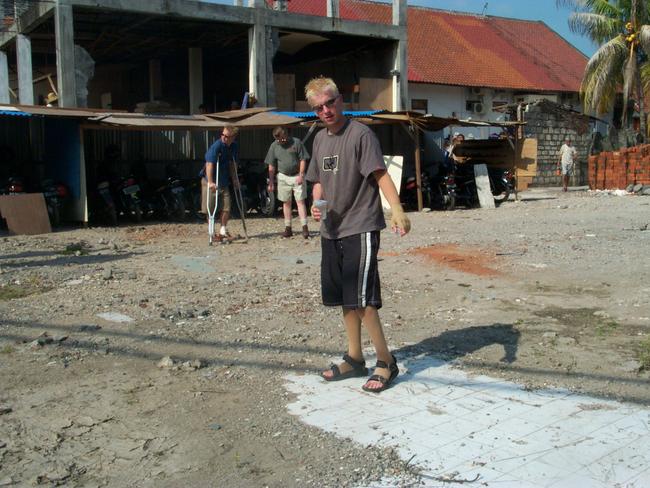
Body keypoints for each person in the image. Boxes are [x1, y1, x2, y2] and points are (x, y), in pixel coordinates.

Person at [304, 76, 411, 393]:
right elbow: (318, 180)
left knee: (362, 299)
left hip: (360, 225)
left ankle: (385, 361)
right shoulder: (320, 139)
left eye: (330, 103)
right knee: (344, 299)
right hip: (332, 229)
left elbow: (380, 174)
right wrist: (316, 204)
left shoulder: (361, 134)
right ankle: (354, 357)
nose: (326, 110)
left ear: (340, 100)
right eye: (318, 107)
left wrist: (397, 209)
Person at [265, 127, 311, 238]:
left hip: (296, 176)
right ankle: (288, 228)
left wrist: (301, 174)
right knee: (286, 202)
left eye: (283, 139)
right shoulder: (274, 146)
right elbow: (271, 164)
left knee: (300, 201)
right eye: (279, 140)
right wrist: (271, 181)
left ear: (286, 135)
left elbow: (303, 159)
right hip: (282, 177)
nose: (281, 142)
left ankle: (305, 228)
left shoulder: (296, 142)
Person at [202, 124, 239, 242]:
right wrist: (211, 182)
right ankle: (212, 232)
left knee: (226, 206)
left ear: (233, 137)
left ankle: (223, 230)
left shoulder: (233, 146)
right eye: (222, 134)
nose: (224, 137)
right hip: (211, 180)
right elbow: (209, 164)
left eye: (227, 136)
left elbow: (232, 164)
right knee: (211, 208)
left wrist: (235, 179)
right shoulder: (217, 146)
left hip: (223, 180)